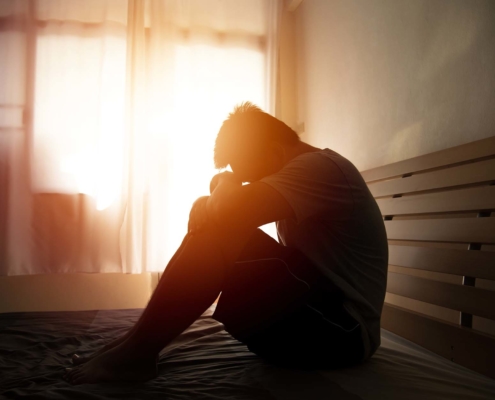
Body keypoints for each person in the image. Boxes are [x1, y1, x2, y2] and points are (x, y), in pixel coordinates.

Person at [64, 102, 388, 385]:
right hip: (322, 320)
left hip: (343, 335)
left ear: (274, 152)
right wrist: (214, 199)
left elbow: (230, 211)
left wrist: (222, 183)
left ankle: (136, 352)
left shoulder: (320, 168)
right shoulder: (309, 173)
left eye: (249, 176)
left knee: (224, 224)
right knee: (222, 221)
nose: (249, 183)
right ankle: (135, 343)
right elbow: (229, 211)